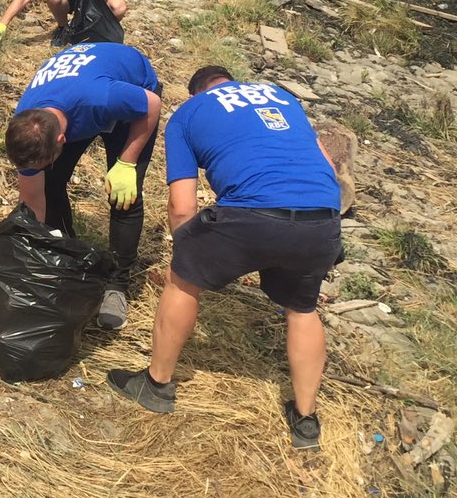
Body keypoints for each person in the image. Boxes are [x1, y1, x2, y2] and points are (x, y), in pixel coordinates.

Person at [107, 65, 342, 450]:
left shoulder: (189, 113)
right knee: (302, 308)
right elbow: (330, 171)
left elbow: (182, 207)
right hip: (322, 217)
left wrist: (189, 250)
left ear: (197, 91)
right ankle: (305, 421)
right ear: (233, 82)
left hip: (250, 213)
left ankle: (156, 385)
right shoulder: (282, 96)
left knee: (182, 278)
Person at [5, 42, 161, 330]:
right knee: (50, 181)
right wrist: (39, 248)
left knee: (123, 195)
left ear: (63, 140)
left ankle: (117, 285)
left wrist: (127, 162)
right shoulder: (27, 122)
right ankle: (68, 255)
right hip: (82, 91)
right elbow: (32, 196)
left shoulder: (102, 99)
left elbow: (151, 104)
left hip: (135, 92)